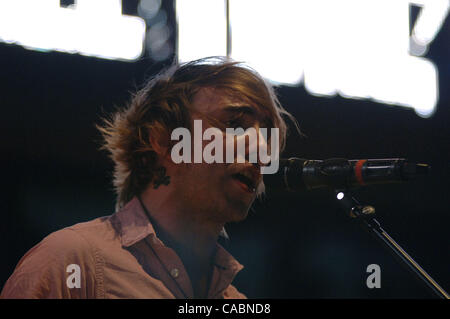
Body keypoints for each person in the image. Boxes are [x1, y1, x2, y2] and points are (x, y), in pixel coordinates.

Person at [1, 57, 295, 299]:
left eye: (267, 136)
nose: (261, 148)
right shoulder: (70, 263)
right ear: (164, 140)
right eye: (234, 124)